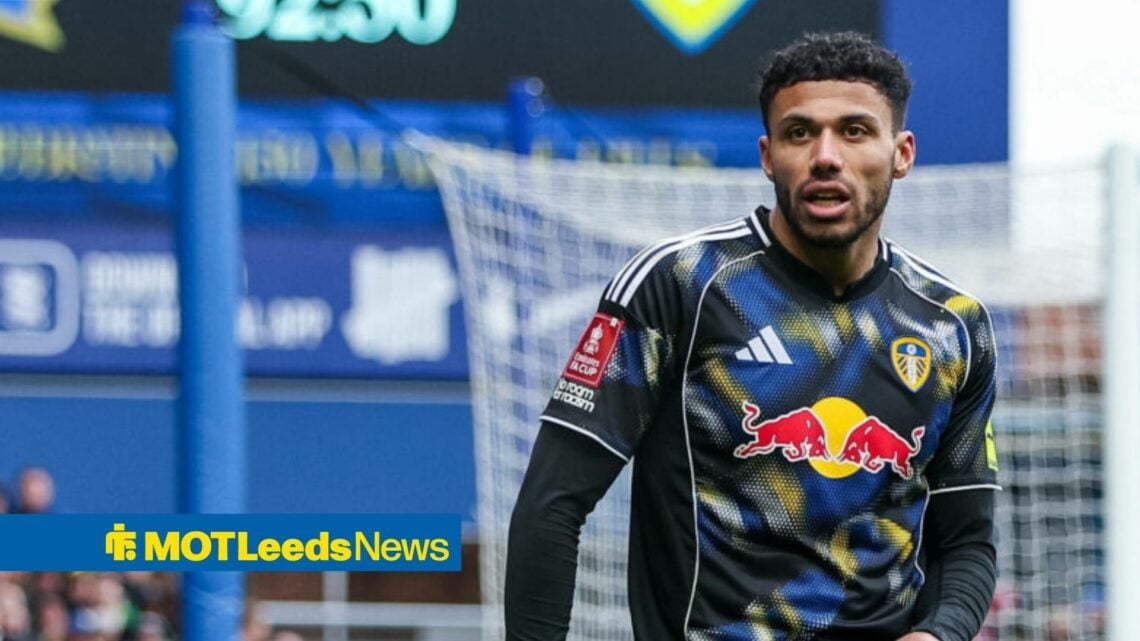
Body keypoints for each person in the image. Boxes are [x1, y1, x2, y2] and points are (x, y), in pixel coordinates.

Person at [505, 31, 999, 641]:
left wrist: (940, 634)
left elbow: (968, 541)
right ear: (768, 156)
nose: (825, 155)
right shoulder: (681, 285)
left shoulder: (953, 325)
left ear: (901, 152)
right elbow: (553, 505)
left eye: (854, 131)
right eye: (800, 132)